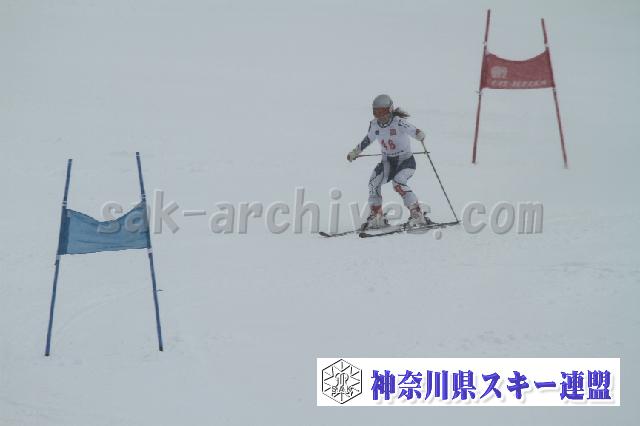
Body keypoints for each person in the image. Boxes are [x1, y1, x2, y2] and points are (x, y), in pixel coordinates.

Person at [347, 94, 431, 229]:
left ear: (390, 109)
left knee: (398, 182)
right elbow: (367, 139)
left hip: (405, 161)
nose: (380, 116)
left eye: (383, 112)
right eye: (376, 112)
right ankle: (377, 217)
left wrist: (419, 134)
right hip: (387, 162)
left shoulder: (398, 122)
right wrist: (355, 152)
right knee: (373, 183)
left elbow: (414, 130)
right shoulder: (374, 125)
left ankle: (417, 215)